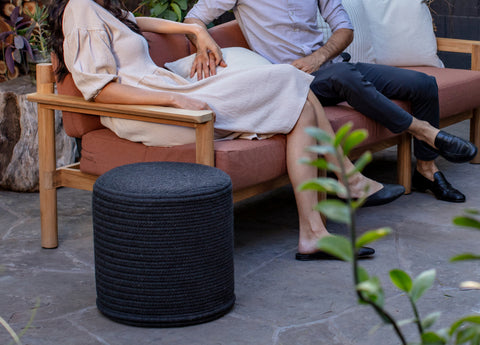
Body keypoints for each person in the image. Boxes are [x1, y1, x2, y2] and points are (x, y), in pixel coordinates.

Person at [47, 0, 406, 261]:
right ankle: (335, 199)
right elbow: (101, 89)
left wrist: (194, 29)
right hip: (150, 110)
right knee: (291, 81)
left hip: (165, 92)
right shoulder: (81, 8)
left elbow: (137, 23)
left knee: (298, 95)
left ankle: (316, 231)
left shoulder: (99, 7)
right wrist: (172, 102)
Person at [184, 0, 478, 203]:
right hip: (292, 81)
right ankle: (423, 130)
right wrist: (202, 40)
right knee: (342, 75)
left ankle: (426, 170)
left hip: (331, 67)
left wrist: (319, 56)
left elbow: (344, 28)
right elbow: (193, 18)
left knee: (423, 84)